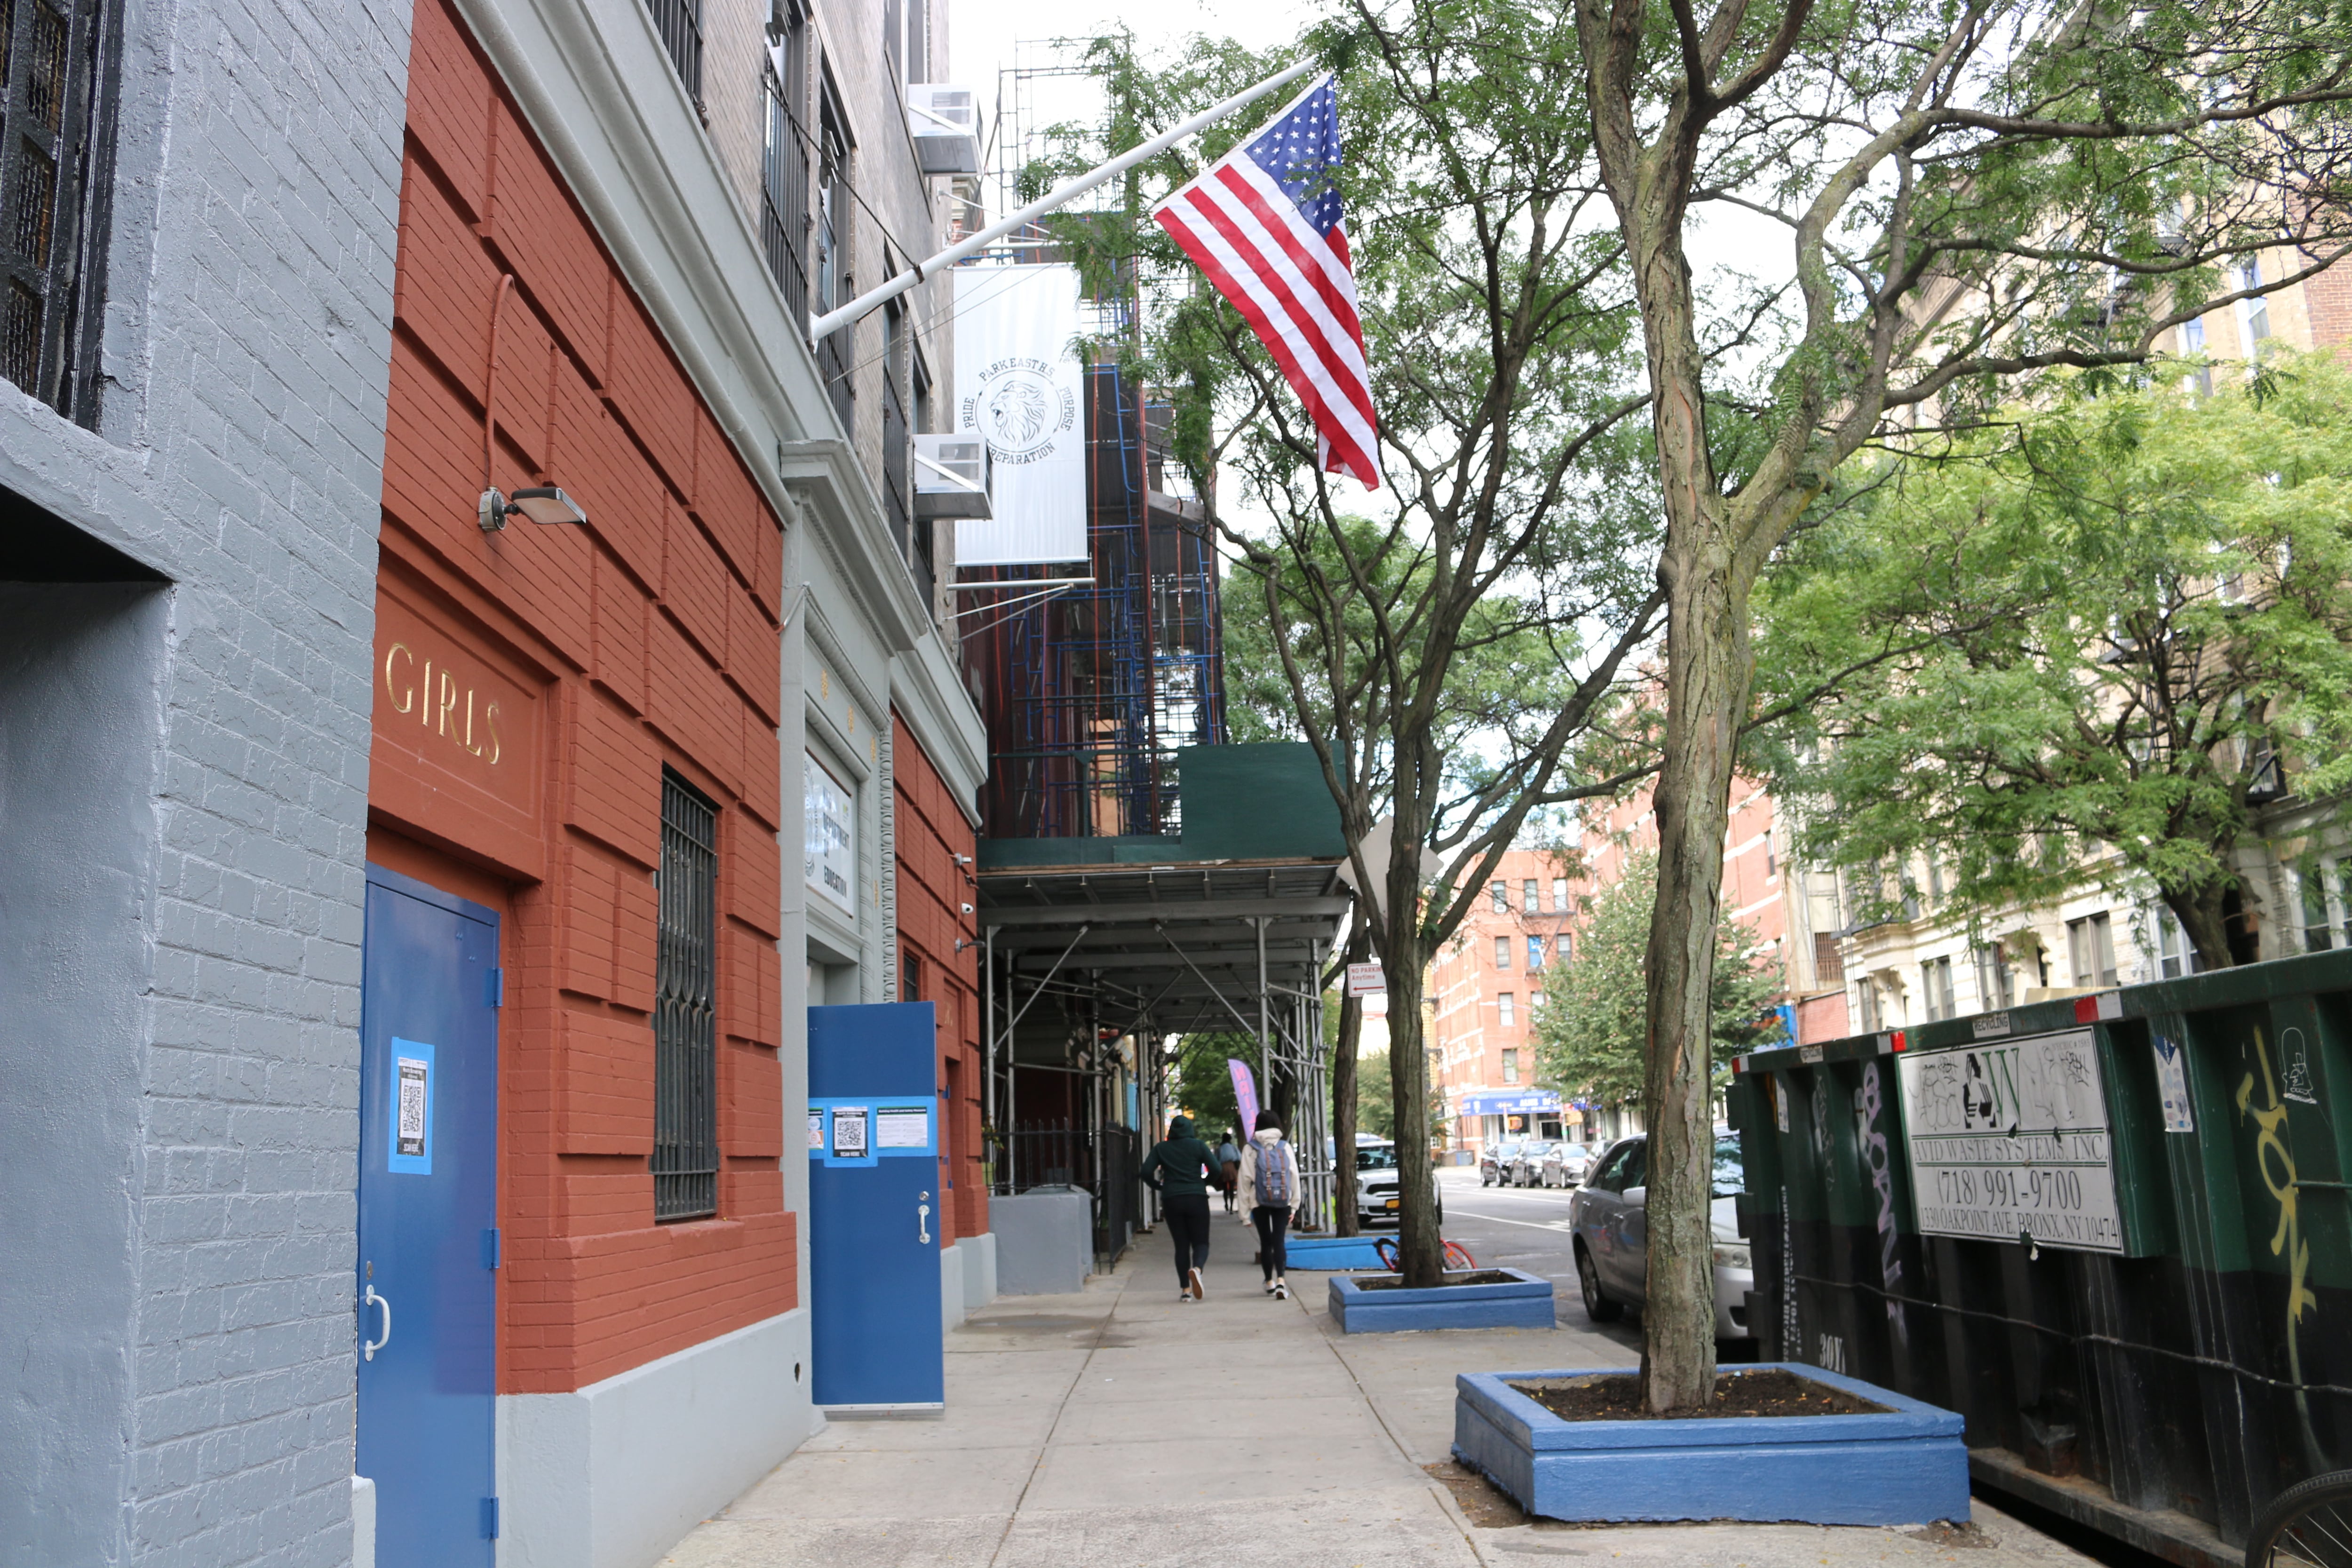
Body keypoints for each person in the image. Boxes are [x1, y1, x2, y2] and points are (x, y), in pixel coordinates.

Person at [1140, 1114, 1220, 1301]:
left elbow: (1145, 1171)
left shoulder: (1162, 1148)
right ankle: (1197, 1269)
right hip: (1197, 1198)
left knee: (1181, 1245)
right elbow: (1216, 1168)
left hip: (1172, 1199)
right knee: (1201, 1243)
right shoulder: (1199, 1146)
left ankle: (1185, 1290)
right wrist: (1203, 1183)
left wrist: (1159, 1186)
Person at [1237, 1110, 1302, 1299]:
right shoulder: (1285, 1146)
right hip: (1283, 1201)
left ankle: (1269, 1282)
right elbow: (1294, 1176)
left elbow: (1244, 1181)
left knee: (1266, 1243)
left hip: (1259, 1202)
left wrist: (1244, 1214)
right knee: (1279, 1241)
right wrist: (1295, 1205)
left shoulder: (1251, 1148)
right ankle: (1282, 1281)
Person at [1215, 1130, 1243, 1213]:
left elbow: (1216, 1159)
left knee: (1225, 1188)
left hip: (1223, 1167)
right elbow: (1239, 1157)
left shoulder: (1220, 1149)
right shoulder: (1233, 1148)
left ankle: (1226, 1204)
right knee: (1231, 1188)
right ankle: (1231, 1206)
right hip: (1232, 1167)